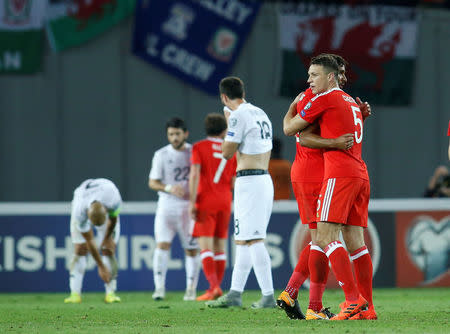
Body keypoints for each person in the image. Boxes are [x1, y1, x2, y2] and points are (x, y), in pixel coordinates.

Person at [278, 54, 374, 320]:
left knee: (323, 237)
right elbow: (299, 135)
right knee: (323, 236)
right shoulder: (313, 95)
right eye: (341, 72)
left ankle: (309, 300)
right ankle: (311, 302)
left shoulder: (338, 99)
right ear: (334, 74)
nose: (344, 77)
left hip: (333, 172)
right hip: (314, 172)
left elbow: (327, 130)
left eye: (314, 75)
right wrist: (293, 105)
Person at [206, 76, 276, 309]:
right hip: (263, 179)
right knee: (243, 240)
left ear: (224, 96)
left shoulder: (237, 116)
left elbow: (226, 152)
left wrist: (229, 125)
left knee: (254, 239)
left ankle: (268, 296)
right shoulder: (260, 112)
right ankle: (235, 293)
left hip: (251, 181)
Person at [148, 117, 200, 301]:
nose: (174, 137)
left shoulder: (195, 152)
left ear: (185, 133)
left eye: (177, 134)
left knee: (191, 249)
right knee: (162, 245)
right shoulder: (161, 155)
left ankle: (191, 289)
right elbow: (153, 182)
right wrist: (169, 188)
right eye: (171, 134)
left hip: (188, 206)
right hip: (167, 206)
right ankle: (159, 288)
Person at [189, 113, 237, 301]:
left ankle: (213, 287)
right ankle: (217, 288)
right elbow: (233, 181)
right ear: (224, 130)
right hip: (225, 200)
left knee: (206, 246)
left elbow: (194, 174)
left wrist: (192, 202)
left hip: (206, 200)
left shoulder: (199, 147)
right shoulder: (229, 150)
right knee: (220, 246)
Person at [64, 178, 122, 304]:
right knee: (80, 248)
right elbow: (89, 239)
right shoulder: (79, 211)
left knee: (108, 249)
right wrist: (101, 266)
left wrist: (107, 239)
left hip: (105, 191)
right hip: (82, 194)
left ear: (106, 210)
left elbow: (113, 219)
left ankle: (110, 293)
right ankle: (75, 294)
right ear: (87, 215)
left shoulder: (113, 198)